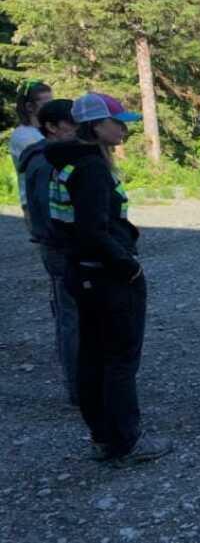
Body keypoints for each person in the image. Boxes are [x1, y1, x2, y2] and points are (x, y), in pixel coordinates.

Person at [46, 92, 172, 467]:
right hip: (107, 278)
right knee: (119, 361)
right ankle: (127, 442)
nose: (123, 129)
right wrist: (127, 265)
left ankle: (103, 438)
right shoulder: (92, 168)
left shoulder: (66, 161)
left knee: (94, 357)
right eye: (118, 122)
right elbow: (92, 229)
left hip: (82, 273)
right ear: (97, 126)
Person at [18, 99, 80, 405]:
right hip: (61, 252)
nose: (79, 129)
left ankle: (83, 385)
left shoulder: (48, 158)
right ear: (52, 127)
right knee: (71, 319)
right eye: (72, 123)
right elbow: (49, 213)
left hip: (60, 249)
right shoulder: (45, 162)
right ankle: (79, 389)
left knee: (72, 316)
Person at [10, 79, 53, 229]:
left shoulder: (46, 131)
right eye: (46, 104)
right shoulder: (22, 136)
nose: (51, 108)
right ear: (29, 107)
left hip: (51, 199)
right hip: (34, 203)